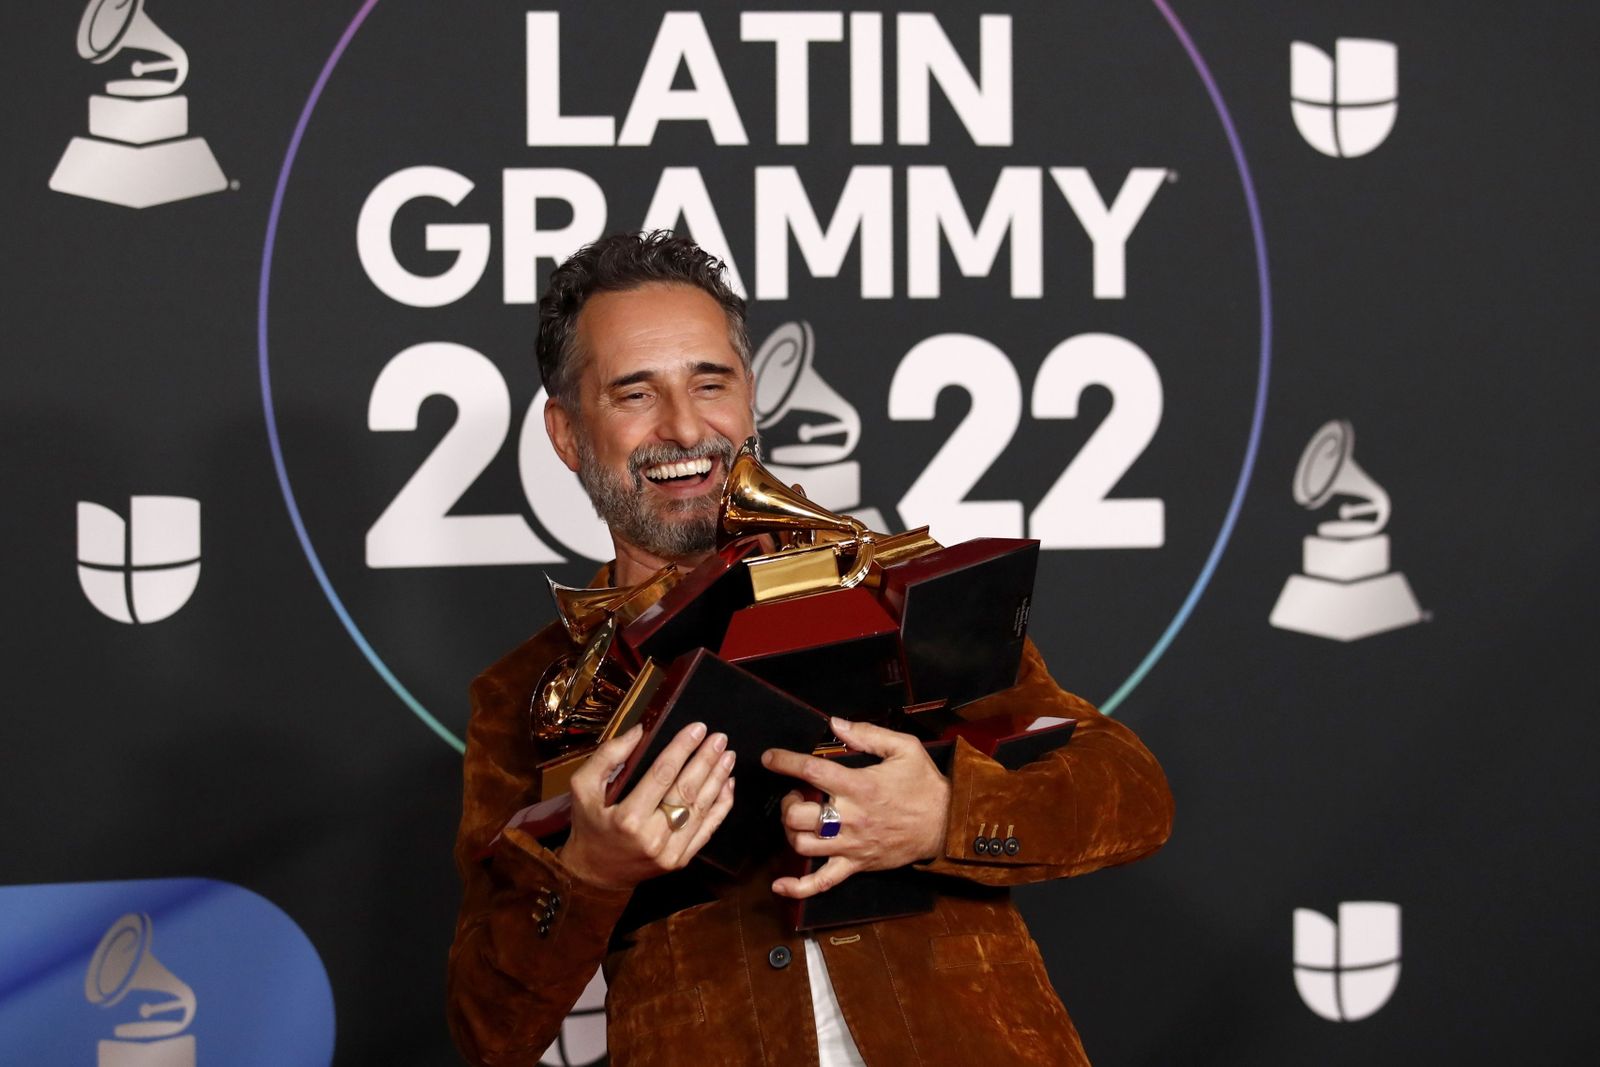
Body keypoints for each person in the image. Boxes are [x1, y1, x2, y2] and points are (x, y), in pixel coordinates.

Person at [446, 231, 1174, 1066]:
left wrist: (942, 813)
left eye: (709, 382)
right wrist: (590, 871)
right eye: (634, 394)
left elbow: (1132, 790)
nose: (686, 427)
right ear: (568, 432)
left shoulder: (883, 584)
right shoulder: (526, 695)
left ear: (749, 397)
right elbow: (488, 1028)